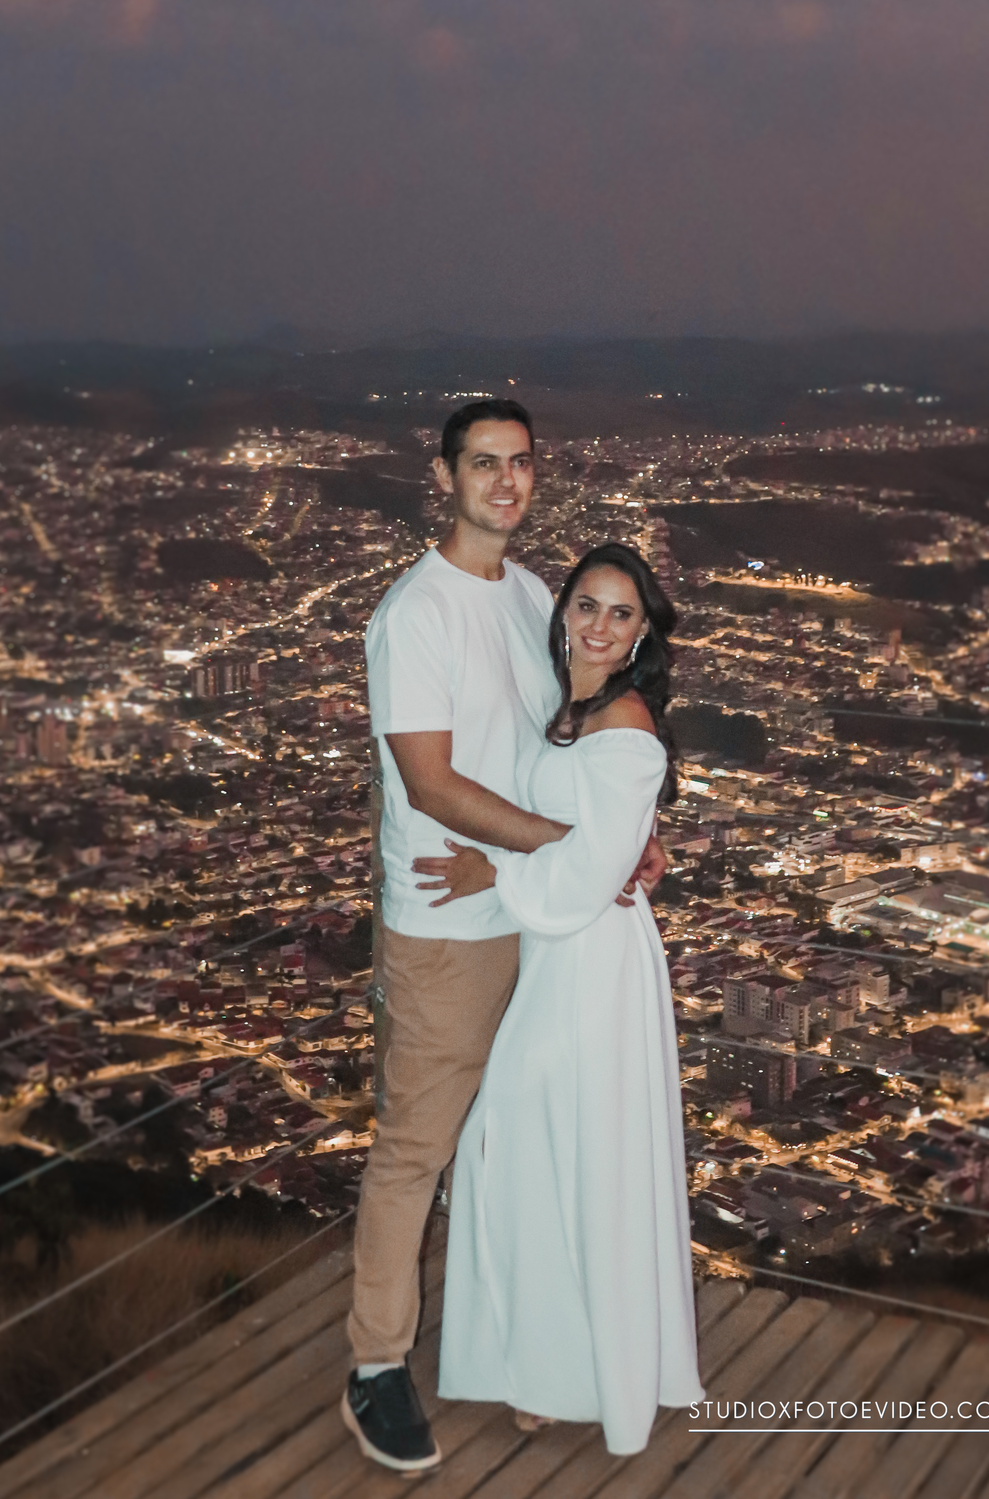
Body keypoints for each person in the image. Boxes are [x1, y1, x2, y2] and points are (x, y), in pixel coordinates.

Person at [342, 402, 667, 1475]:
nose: (505, 481)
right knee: (419, 1148)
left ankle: (538, 1348)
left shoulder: (534, 597)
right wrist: (578, 849)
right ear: (445, 477)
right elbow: (430, 782)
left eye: (520, 462)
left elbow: (572, 742)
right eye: (483, 463)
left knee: (526, 1147)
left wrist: (626, 837)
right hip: (451, 922)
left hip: (544, 925)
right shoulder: (415, 614)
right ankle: (376, 1365)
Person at [417, 543, 704, 1456]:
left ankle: (568, 1372)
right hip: (557, 955)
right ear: (564, 610)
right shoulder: (567, 707)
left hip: (593, 964)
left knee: (544, 1144)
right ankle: (547, 1367)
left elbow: (586, 873)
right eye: (588, 604)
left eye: (622, 613)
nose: (600, 625)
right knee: (543, 1149)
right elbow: (587, 834)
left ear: (643, 633)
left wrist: (492, 870)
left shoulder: (625, 725)